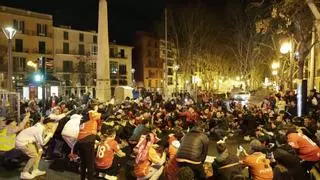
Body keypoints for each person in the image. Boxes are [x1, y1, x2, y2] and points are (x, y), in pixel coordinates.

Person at [77, 99, 101, 180]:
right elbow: (104, 115)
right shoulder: (92, 112)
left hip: (80, 140)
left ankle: (82, 178)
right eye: (97, 105)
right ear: (95, 106)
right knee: (90, 164)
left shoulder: (84, 113)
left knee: (83, 163)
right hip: (88, 140)